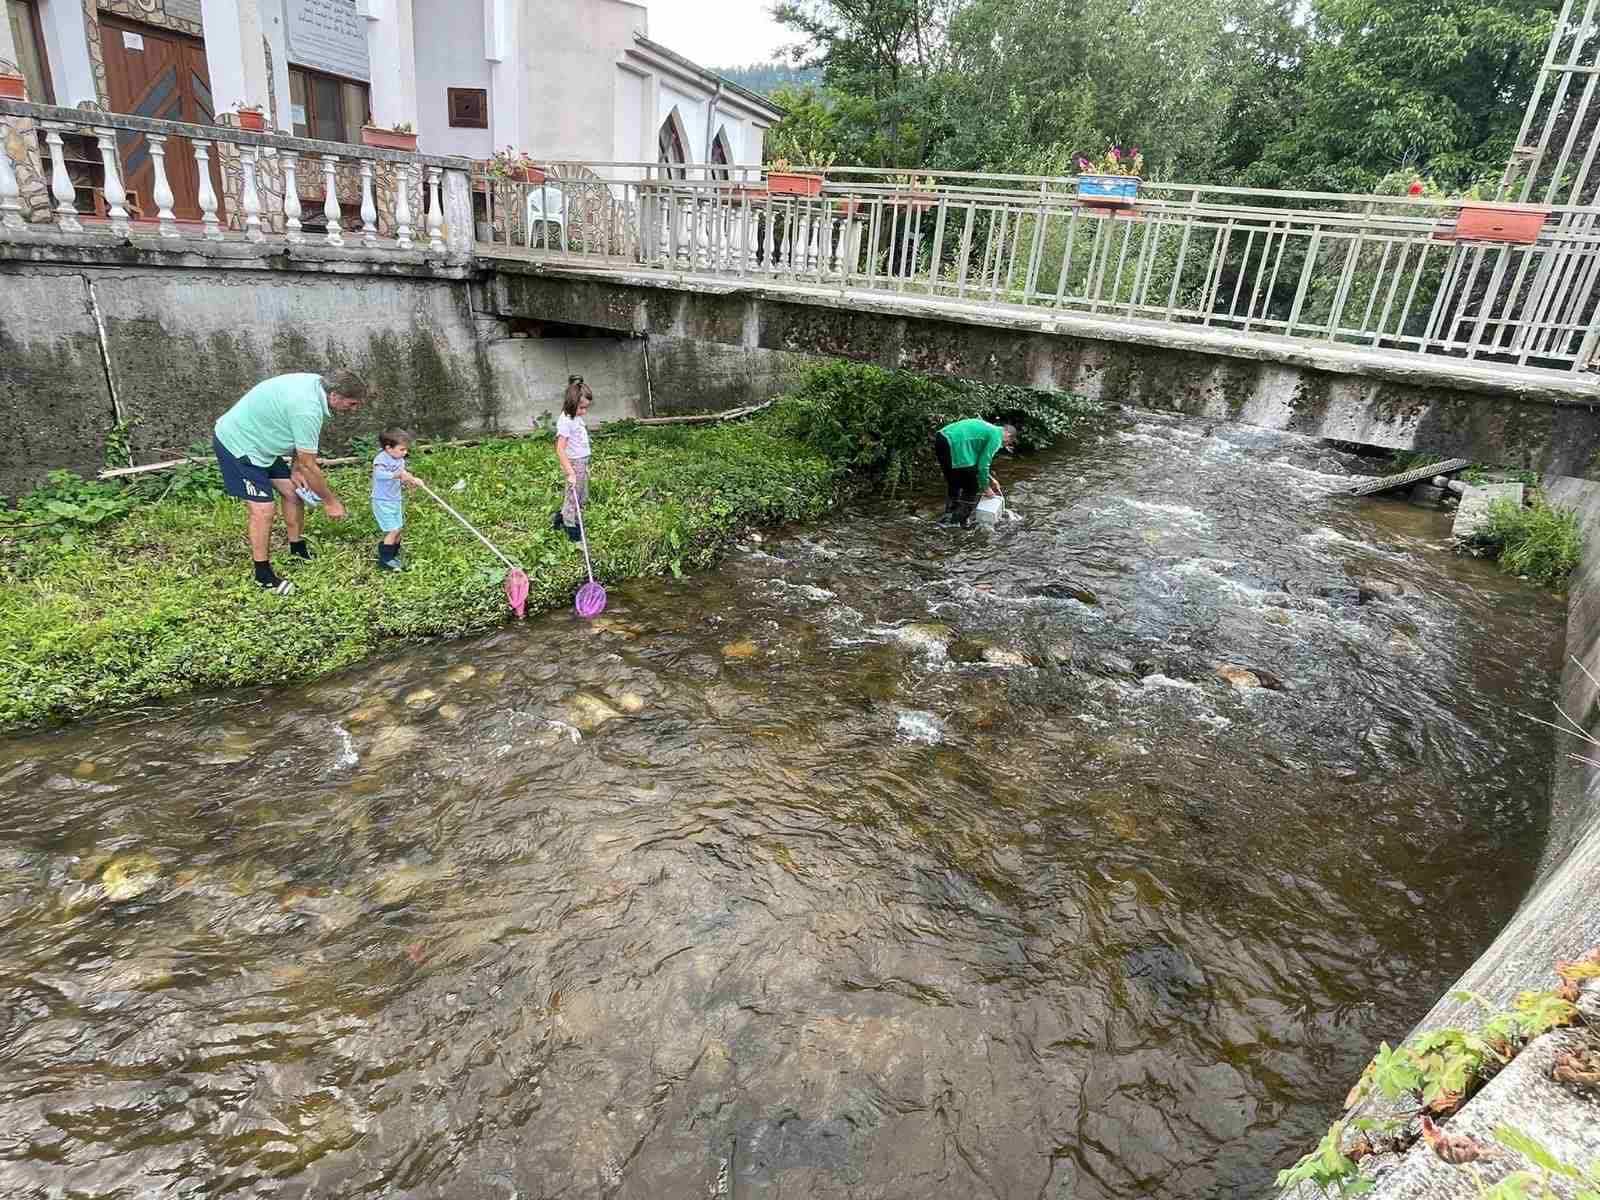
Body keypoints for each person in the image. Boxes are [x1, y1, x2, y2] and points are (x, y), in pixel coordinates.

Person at [213, 369, 370, 592]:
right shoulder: (307, 409)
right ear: (335, 396)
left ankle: (297, 549)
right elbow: (310, 464)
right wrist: (330, 502)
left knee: (293, 491)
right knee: (264, 511)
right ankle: (263, 576)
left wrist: (295, 468)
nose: (355, 410)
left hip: (263, 444)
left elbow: (300, 444)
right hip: (238, 444)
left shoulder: (317, 386)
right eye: (352, 404)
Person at [933, 418, 1017, 527]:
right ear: (1008, 434)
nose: (1004, 444)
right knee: (972, 487)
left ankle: (948, 518)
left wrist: (991, 479)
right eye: (1008, 442)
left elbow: (977, 461)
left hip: (942, 438)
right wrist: (985, 487)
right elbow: (983, 465)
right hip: (955, 444)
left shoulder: (989, 429)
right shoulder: (997, 436)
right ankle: (959, 522)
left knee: (954, 482)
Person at [551, 375, 593, 544]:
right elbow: (560, 449)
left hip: (581, 462)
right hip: (574, 464)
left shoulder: (574, 417)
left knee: (581, 495)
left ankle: (559, 518)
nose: (584, 412)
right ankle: (572, 529)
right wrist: (570, 472)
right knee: (574, 496)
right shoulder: (566, 421)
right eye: (581, 408)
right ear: (572, 403)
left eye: (586, 408)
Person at [371, 428, 419, 571]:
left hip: (395, 499)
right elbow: (379, 475)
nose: (405, 452)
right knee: (393, 530)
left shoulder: (400, 459)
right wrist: (397, 475)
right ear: (388, 448)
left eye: (406, 449)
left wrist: (411, 481)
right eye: (402, 449)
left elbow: (403, 474)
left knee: (398, 529)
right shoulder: (381, 459)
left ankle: (393, 553)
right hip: (382, 500)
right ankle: (385, 560)